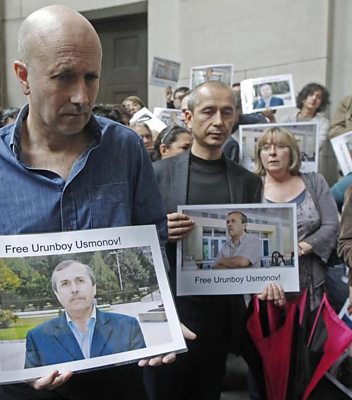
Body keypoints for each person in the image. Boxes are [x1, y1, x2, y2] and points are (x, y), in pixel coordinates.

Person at [0, 5, 176, 400]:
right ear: (23, 76)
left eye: (91, 77)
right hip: (27, 382)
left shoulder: (125, 148)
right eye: (64, 77)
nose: (81, 96)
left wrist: (162, 318)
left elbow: (151, 237)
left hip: (118, 374)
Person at [145, 81, 263, 400]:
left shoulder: (248, 182)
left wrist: (269, 279)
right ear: (188, 116)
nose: (218, 121)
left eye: (227, 112)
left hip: (220, 317)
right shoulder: (157, 174)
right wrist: (159, 230)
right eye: (208, 111)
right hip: (169, 310)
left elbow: (253, 247)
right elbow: (131, 237)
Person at [255, 126, 339, 310]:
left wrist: (300, 249)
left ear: (292, 152)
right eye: (266, 148)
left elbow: (331, 225)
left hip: (311, 284)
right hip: (265, 287)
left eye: (280, 146)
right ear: (259, 154)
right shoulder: (251, 186)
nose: (272, 152)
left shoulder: (315, 182)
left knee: (310, 328)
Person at [25, 260, 145, 368]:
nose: (74, 289)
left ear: (94, 287)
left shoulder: (128, 327)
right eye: (65, 284)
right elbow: (30, 384)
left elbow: (143, 376)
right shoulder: (37, 338)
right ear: (57, 294)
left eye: (80, 280)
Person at [281, 82, 330, 150]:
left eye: (319, 97)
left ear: (321, 103)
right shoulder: (287, 119)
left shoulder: (323, 122)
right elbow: (280, 141)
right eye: (311, 95)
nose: (314, 98)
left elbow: (317, 146)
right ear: (303, 98)